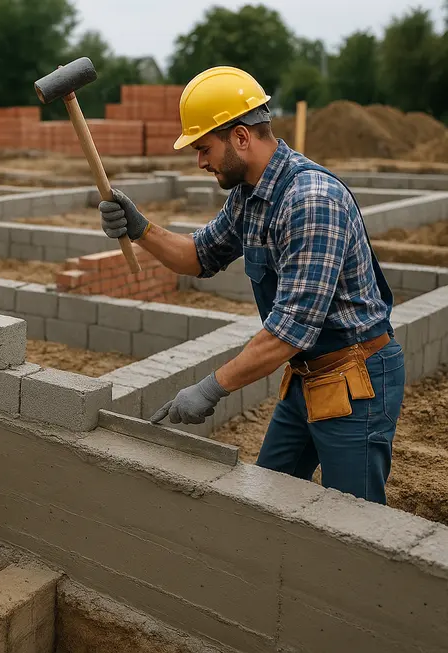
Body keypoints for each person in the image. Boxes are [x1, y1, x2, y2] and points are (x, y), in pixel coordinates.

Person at [97, 66, 405, 505]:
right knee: (267, 501)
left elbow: (287, 332)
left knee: (355, 520)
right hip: (307, 374)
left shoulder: (310, 200)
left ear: (241, 137)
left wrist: (210, 387)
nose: (200, 161)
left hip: (356, 379)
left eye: (204, 148)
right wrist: (139, 227)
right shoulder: (250, 194)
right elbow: (198, 255)